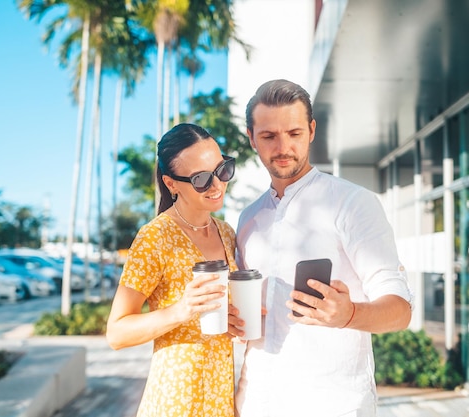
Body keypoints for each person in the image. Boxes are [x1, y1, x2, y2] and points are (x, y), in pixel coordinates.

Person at [230, 79, 413, 417]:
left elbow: (401, 311)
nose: (283, 147)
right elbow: (247, 316)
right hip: (256, 402)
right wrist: (236, 319)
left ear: (312, 131)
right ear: (251, 137)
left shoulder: (354, 203)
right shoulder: (248, 218)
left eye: (295, 133)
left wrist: (350, 314)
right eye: (269, 136)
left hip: (331, 404)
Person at [106, 123, 238, 417]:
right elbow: (116, 333)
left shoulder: (227, 233)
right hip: (175, 403)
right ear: (171, 183)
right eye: (201, 179)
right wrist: (180, 311)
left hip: (220, 401)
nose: (217, 185)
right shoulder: (155, 237)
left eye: (222, 170)